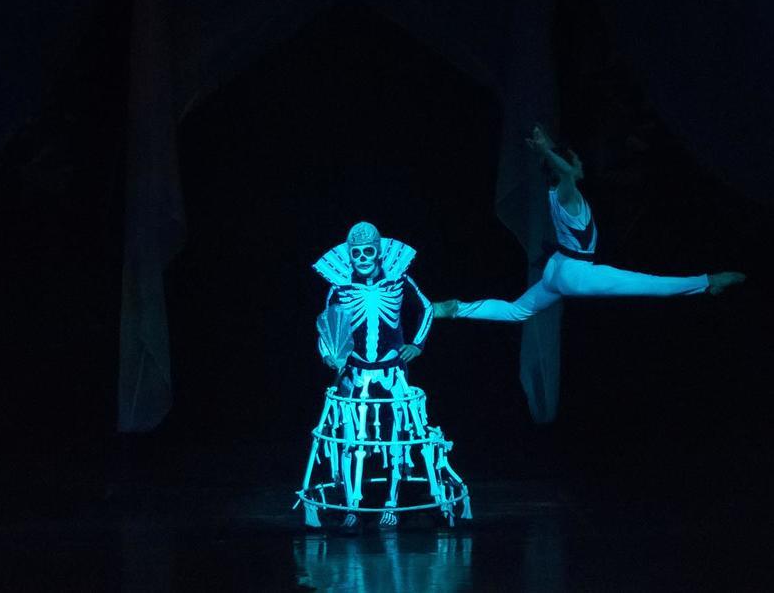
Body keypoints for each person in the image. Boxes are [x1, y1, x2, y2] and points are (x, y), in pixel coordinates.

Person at [432, 124, 745, 323]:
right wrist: (545, 151)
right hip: (574, 273)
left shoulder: (555, 190)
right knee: (647, 284)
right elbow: (566, 171)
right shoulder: (566, 192)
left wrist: (546, 148)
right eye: (576, 159)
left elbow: (559, 168)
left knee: (517, 311)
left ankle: (455, 308)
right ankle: (708, 281)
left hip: (559, 267)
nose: (581, 162)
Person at [305, 221, 463, 532]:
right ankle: (352, 506)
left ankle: (391, 503)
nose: (363, 259)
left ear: (378, 253)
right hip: (354, 372)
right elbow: (327, 326)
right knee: (351, 441)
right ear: (349, 256)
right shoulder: (340, 288)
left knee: (396, 438)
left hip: (392, 371)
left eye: (368, 252)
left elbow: (427, 309)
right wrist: (328, 354)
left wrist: (417, 344)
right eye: (357, 253)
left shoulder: (398, 280)